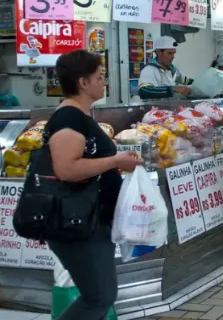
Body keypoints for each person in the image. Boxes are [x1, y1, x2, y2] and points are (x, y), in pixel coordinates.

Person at [46, 50, 142, 320]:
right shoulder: (68, 119)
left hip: (91, 220)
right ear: (82, 82)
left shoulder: (81, 117)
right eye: (100, 77)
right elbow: (66, 169)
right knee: (99, 297)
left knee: (100, 295)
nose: (105, 82)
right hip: (78, 222)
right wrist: (114, 161)